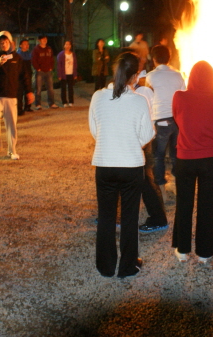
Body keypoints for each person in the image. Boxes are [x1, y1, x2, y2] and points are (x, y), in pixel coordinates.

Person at [89, 52, 155, 278]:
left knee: (106, 216)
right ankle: (128, 266)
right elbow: (146, 135)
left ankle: (105, 266)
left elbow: (95, 130)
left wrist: (111, 141)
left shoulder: (98, 97)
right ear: (135, 76)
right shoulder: (139, 100)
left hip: (104, 164)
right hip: (131, 165)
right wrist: (130, 142)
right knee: (129, 218)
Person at [171, 61, 213, 264]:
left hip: (185, 157)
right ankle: (204, 252)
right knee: (207, 205)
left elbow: (177, 118)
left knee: (184, 203)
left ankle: (182, 249)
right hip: (209, 158)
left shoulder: (179, 97)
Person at [0, 31, 33, 162]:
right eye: (1, 42)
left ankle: (12, 150)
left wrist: (29, 91)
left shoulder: (17, 57)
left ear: (10, 42)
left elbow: (24, 76)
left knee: (11, 125)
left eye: (5, 41)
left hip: (11, 95)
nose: (3, 44)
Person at [146, 45, 186, 193]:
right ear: (169, 58)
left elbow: (148, 97)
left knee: (158, 156)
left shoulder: (151, 76)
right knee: (176, 154)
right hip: (177, 120)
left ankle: (161, 187)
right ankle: (176, 183)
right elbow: (183, 96)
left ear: (154, 59)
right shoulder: (178, 75)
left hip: (160, 120)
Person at [133, 70, 169, 233]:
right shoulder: (140, 91)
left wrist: (140, 143)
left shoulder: (142, 92)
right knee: (141, 179)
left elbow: (148, 119)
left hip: (140, 141)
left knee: (145, 180)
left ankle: (158, 218)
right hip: (139, 141)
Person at [31, 35, 57, 109]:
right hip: (40, 71)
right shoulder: (36, 49)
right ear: (39, 40)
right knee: (38, 89)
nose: (45, 40)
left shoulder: (49, 49)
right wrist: (37, 68)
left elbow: (52, 59)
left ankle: (51, 103)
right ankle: (38, 104)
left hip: (48, 71)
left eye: (46, 39)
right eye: (43, 39)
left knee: (50, 88)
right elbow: (33, 60)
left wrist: (51, 67)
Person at [56, 40, 77, 108]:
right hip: (63, 74)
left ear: (70, 46)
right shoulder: (61, 55)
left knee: (71, 88)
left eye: (69, 44)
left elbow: (75, 64)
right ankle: (64, 102)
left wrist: (75, 74)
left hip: (71, 73)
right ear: (64, 46)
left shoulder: (73, 54)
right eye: (66, 44)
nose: (68, 46)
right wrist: (59, 75)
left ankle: (71, 101)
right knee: (63, 89)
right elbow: (59, 65)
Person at [16, 39, 34, 115]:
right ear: (20, 45)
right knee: (19, 92)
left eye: (28, 44)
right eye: (25, 44)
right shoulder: (18, 54)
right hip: (20, 76)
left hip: (28, 74)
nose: (27, 45)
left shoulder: (28, 54)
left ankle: (27, 106)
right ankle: (19, 109)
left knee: (28, 90)